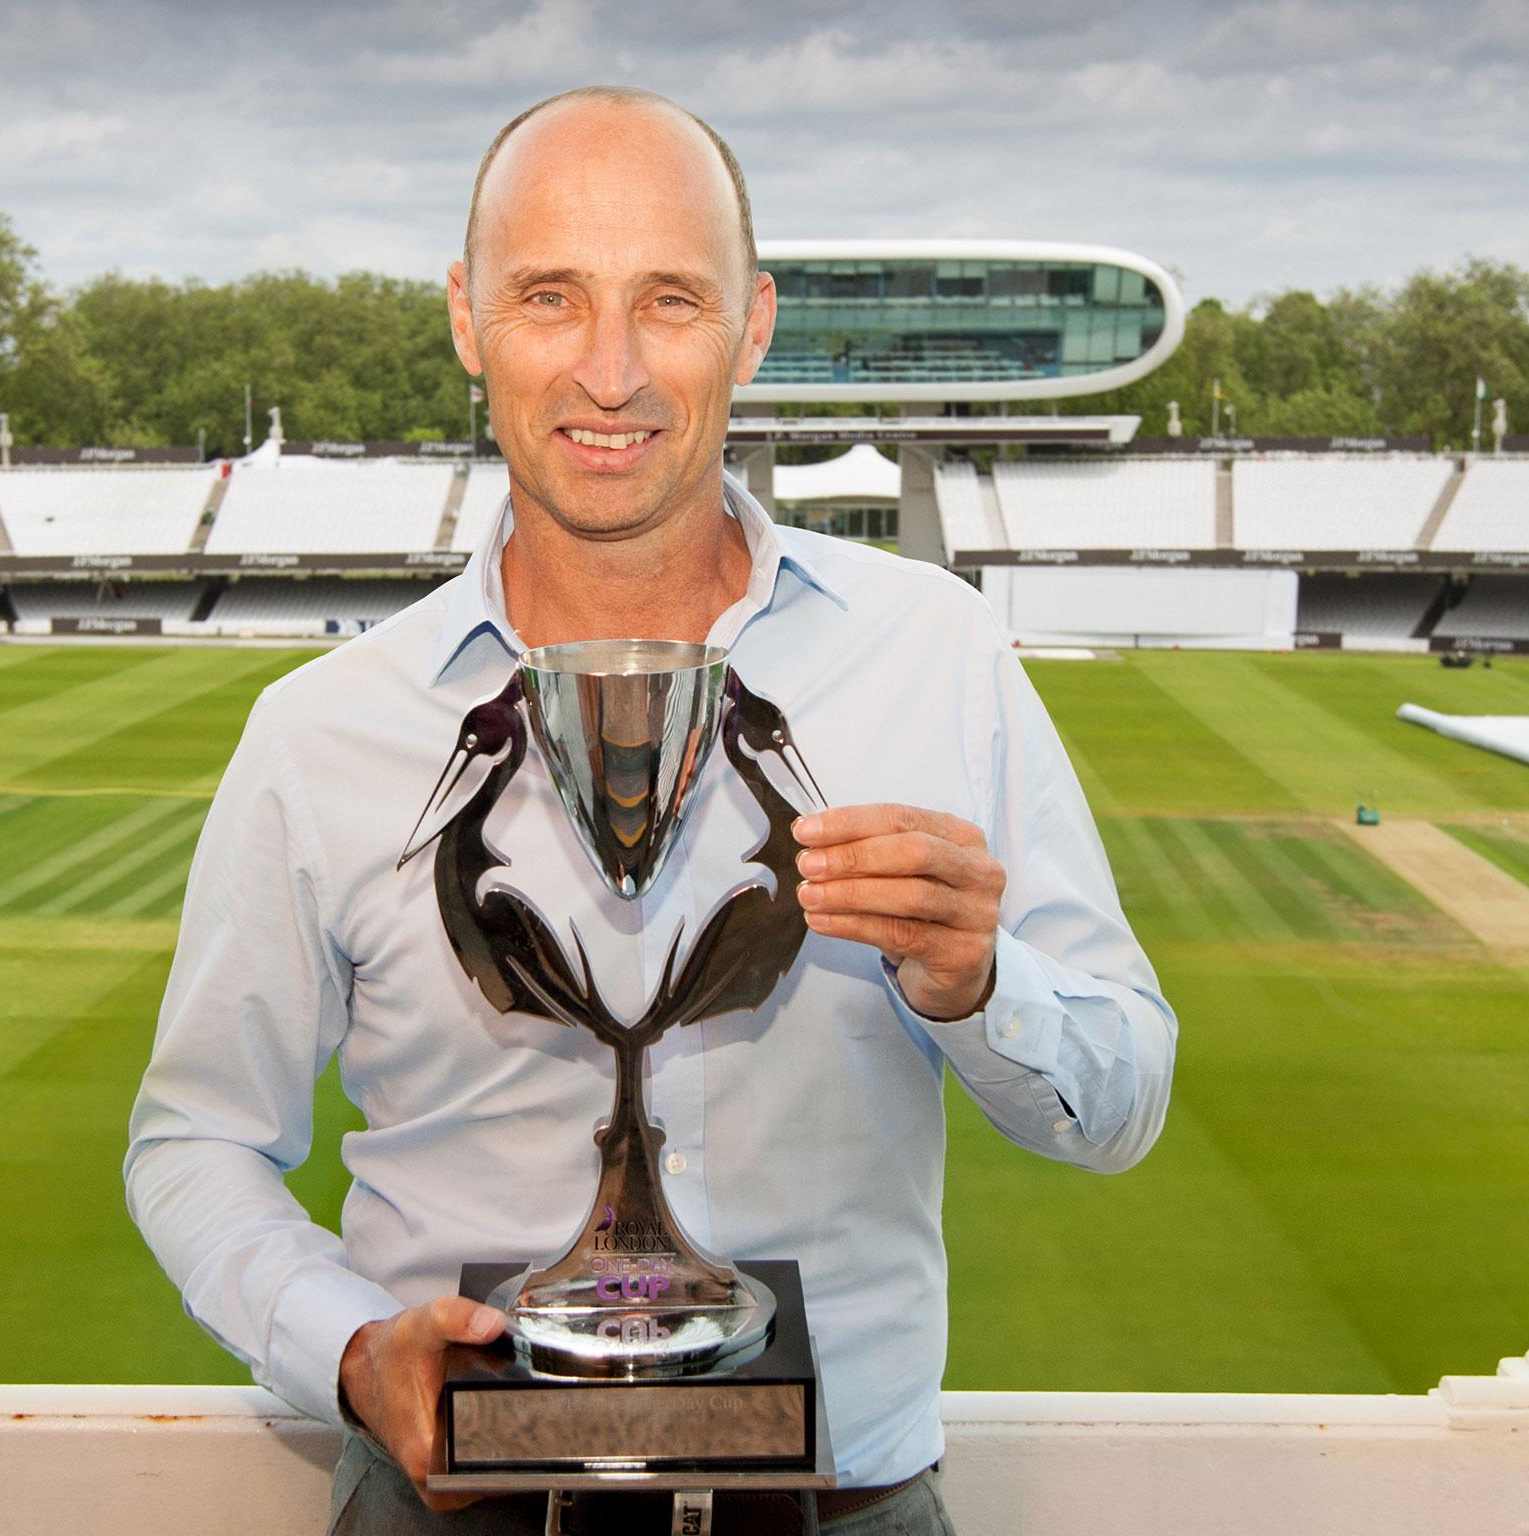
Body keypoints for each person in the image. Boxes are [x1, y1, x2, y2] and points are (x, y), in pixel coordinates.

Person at [126, 85, 1178, 1534]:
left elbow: (1119, 1101)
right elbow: (195, 1142)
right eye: (548, 297)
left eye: (667, 301)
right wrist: (352, 1350)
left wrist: (978, 983)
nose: (607, 372)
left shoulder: (938, 657)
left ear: (750, 327)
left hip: (852, 1501)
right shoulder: (325, 731)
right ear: (464, 319)